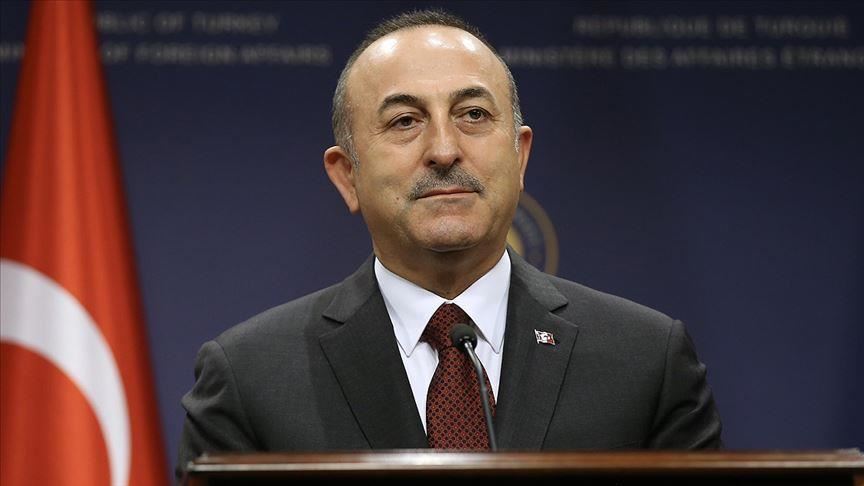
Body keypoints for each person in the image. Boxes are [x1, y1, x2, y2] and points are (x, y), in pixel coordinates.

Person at [176, 8, 722, 478]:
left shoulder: (646, 360)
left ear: (520, 156)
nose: (444, 149)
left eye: (473, 115)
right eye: (405, 121)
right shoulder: (251, 378)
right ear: (347, 176)